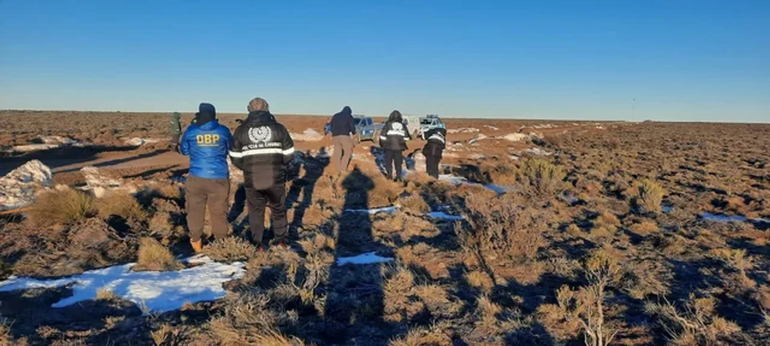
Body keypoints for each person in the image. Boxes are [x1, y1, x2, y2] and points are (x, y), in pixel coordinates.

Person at [229, 97, 295, 249]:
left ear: (249, 109)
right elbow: (289, 153)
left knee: (255, 211)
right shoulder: (279, 128)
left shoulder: (241, 130)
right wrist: (279, 165)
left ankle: (257, 244)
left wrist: (247, 168)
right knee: (278, 209)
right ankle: (281, 240)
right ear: (267, 108)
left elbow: (235, 157)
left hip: (252, 179)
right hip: (275, 177)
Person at [179, 103, 233, 253]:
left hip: (197, 177)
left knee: (195, 210)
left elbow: (184, 150)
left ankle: (196, 242)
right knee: (219, 211)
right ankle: (221, 243)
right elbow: (231, 148)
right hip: (219, 178)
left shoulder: (191, 131)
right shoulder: (223, 131)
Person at [379, 110, 411, 181]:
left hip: (388, 147)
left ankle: (389, 175)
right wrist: (401, 141)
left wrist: (383, 144)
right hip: (399, 148)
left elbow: (382, 136)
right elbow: (407, 137)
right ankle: (398, 176)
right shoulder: (403, 126)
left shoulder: (387, 125)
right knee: (398, 163)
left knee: (388, 162)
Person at [329, 106, 356, 173]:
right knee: (347, 152)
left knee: (337, 152)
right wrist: (353, 132)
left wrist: (334, 133)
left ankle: (338, 168)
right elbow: (352, 126)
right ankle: (343, 169)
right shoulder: (348, 116)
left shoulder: (335, 116)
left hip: (335, 136)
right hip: (345, 136)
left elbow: (331, 126)